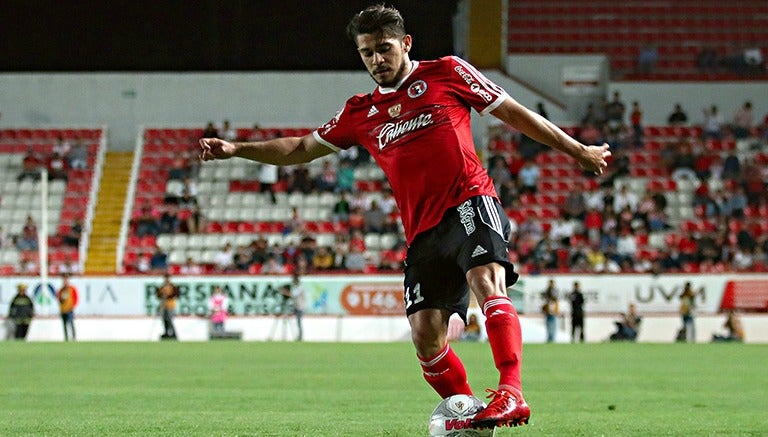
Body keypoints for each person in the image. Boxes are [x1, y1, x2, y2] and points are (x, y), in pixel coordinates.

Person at [198, 4, 609, 430]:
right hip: (422, 232)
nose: (377, 59)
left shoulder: (447, 72)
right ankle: (467, 411)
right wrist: (237, 148)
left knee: (486, 281)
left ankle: (511, 391)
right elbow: (302, 148)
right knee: (425, 335)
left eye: (384, 48)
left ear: (405, 44)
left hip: (469, 200)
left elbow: (513, 113)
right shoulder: (360, 112)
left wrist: (578, 151)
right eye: (367, 53)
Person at [156, 273, 179, 339]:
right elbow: (158, 295)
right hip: (163, 305)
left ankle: (173, 333)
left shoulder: (172, 286)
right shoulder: (162, 287)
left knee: (170, 319)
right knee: (164, 319)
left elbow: (175, 294)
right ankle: (166, 332)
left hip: (170, 305)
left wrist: (167, 296)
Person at [56, 273, 78, 341]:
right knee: (64, 324)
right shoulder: (61, 290)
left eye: (66, 280)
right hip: (63, 309)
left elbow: (76, 298)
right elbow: (58, 298)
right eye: (64, 281)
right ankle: (66, 337)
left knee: (71, 323)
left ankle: (73, 337)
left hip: (70, 309)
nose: (65, 282)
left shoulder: (72, 289)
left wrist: (72, 306)